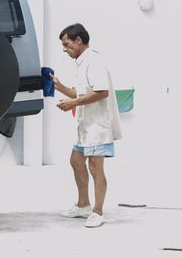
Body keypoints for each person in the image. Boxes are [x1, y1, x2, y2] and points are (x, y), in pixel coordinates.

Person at [51, 23, 122, 228]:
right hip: (85, 126)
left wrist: (72, 103)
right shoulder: (82, 62)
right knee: (76, 161)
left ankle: (98, 212)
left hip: (97, 127)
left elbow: (102, 92)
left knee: (95, 167)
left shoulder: (94, 61)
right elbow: (81, 93)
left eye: (67, 44)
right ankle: (83, 204)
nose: (64, 49)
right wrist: (60, 86)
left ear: (78, 40)